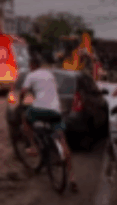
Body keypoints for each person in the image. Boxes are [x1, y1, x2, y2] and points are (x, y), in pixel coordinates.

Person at [21, 51, 78, 192]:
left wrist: (26, 97)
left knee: (25, 119)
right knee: (62, 141)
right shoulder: (49, 74)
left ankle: (33, 146)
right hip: (55, 111)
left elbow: (23, 92)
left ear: (31, 65)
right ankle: (72, 178)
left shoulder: (31, 75)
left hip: (40, 109)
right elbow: (53, 90)